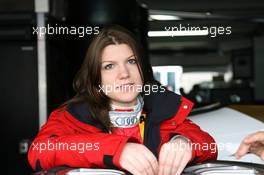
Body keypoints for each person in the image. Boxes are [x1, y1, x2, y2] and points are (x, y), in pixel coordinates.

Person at [28, 25, 217, 175]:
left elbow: (209, 145)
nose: (124, 74)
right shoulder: (71, 117)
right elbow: (40, 151)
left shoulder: (165, 109)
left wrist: (185, 143)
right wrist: (116, 150)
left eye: (132, 61)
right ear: (96, 77)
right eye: (110, 66)